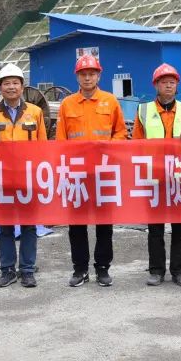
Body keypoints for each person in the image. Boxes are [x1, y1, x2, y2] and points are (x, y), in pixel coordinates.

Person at [131, 63, 181, 287]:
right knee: (155, 228)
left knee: (180, 228)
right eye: (164, 82)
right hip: (154, 176)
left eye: (172, 82)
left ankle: (179, 271)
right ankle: (156, 270)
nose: (168, 85)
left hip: (180, 176)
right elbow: (135, 144)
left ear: (177, 86)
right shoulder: (144, 111)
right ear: (156, 85)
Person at [56, 54, 127, 287]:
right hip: (77, 173)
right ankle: (80, 269)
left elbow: (120, 134)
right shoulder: (67, 104)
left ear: (99, 75)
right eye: (83, 74)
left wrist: (110, 150)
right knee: (76, 225)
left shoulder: (110, 101)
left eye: (91, 73)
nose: (87, 77)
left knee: (104, 224)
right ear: (77, 76)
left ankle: (103, 268)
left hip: (103, 172)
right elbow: (61, 139)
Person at [0, 64, 48, 288]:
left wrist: (41, 178)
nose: (11, 87)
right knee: (5, 228)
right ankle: (7, 270)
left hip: (28, 179)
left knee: (29, 226)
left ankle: (27, 270)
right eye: (6, 83)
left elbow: (42, 148)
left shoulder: (35, 113)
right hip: (2, 181)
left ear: (22, 87)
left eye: (15, 83)